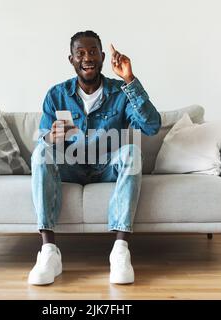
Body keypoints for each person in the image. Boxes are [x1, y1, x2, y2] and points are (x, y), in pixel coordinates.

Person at [28, 30, 161, 285]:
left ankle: (120, 250)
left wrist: (130, 80)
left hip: (106, 166)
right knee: (41, 152)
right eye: (80, 53)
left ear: (102, 57)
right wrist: (50, 137)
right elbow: (42, 141)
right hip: (71, 165)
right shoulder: (57, 94)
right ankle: (48, 252)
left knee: (132, 151)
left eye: (92, 52)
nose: (87, 58)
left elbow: (152, 126)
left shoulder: (120, 92)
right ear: (71, 59)